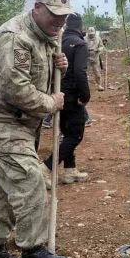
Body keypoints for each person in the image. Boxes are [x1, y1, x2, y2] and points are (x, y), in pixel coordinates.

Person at [0, 0, 72, 258]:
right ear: (37, 7)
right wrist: (51, 102)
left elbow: (36, 74)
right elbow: (15, 89)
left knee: (2, 189)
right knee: (29, 178)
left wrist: (57, 65)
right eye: (54, 16)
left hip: (21, 123)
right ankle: (33, 249)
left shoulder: (47, 37)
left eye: (64, 17)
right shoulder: (14, 38)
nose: (59, 23)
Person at [44, 13, 91, 184]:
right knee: (75, 135)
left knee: (67, 132)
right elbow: (80, 72)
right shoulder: (80, 44)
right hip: (72, 95)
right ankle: (46, 168)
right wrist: (85, 95)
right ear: (80, 27)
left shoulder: (57, 42)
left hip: (56, 92)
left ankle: (70, 170)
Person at [85, 26, 106, 91]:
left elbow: (102, 47)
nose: (91, 35)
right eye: (90, 34)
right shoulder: (84, 39)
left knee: (97, 73)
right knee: (85, 73)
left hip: (95, 58)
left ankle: (99, 85)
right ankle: (85, 86)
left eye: (92, 34)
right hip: (86, 58)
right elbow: (81, 47)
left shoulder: (98, 38)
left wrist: (98, 49)